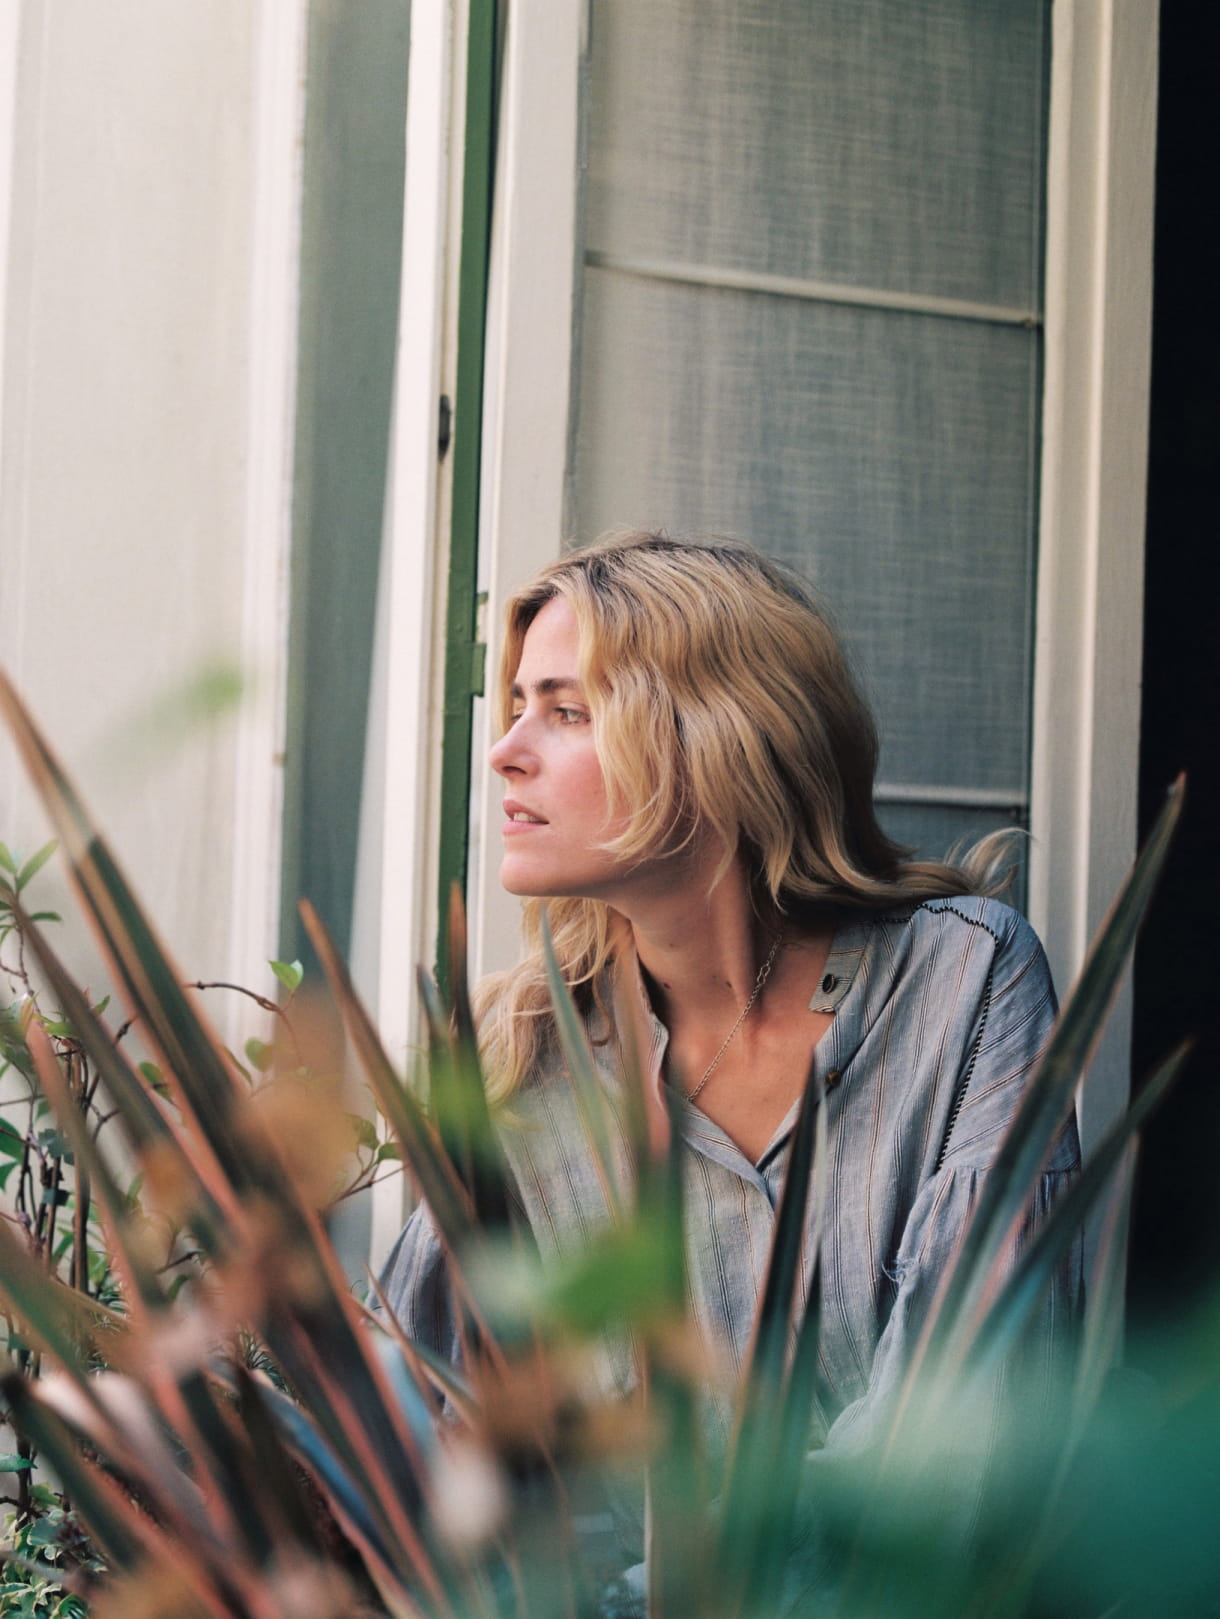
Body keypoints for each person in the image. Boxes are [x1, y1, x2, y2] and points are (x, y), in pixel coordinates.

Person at [381, 530, 1081, 1580]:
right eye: (517, 705)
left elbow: (960, 1431)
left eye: (567, 711)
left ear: (718, 741)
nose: (505, 751)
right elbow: (408, 1421)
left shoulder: (963, 984)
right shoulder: (522, 1063)